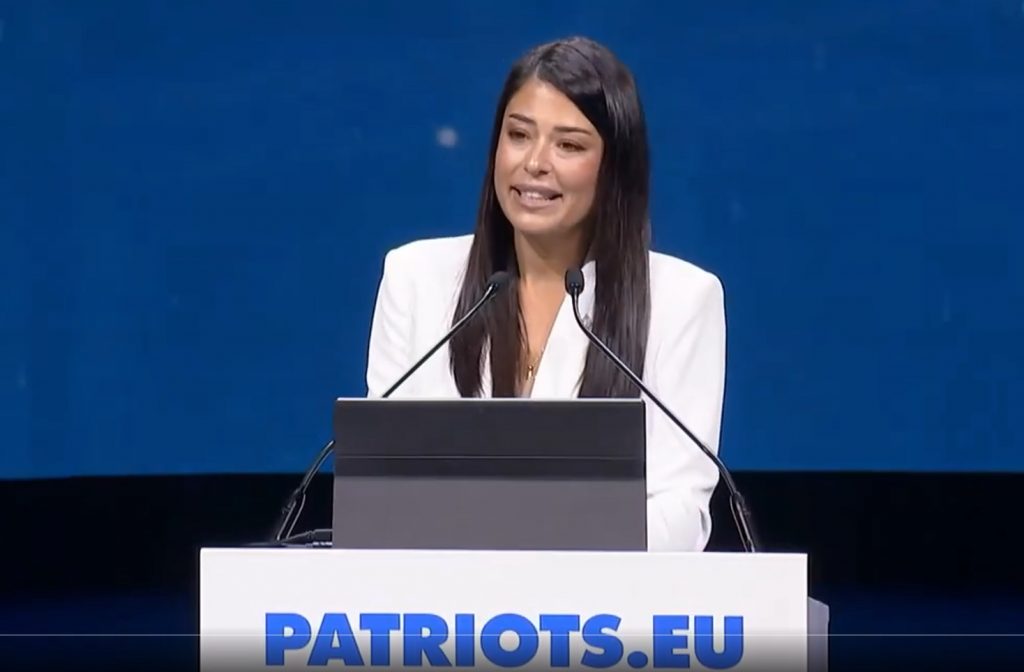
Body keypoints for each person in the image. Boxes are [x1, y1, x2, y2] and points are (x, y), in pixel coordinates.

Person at [364, 36, 726, 552]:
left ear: (614, 166)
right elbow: (382, 489)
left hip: (604, 597)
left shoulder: (682, 301)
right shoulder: (415, 278)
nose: (534, 163)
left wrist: (539, 549)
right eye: (518, 135)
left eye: (569, 145)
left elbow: (681, 511)